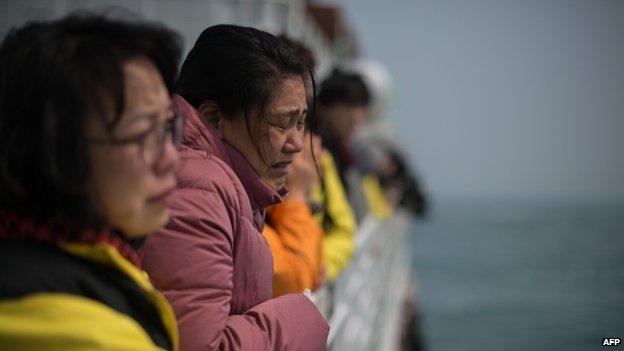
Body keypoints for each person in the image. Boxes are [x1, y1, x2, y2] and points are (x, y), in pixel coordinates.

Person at [138, 25, 329, 350]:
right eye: (282, 123)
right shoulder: (197, 187)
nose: (297, 143)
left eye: (301, 122)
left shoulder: (218, 182)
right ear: (213, 119)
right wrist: (302, 317)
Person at [0, 14, 182, 350]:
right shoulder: (88, 337)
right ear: (59, 152)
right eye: (147, 134)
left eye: (169, 127)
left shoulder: (77, 257)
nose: (172, 157)